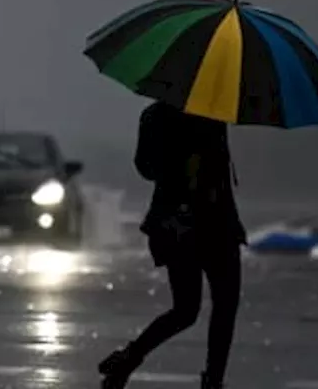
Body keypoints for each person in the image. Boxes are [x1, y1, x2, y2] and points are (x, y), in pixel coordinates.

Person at [98, 101, 247, 389]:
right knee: (203, 308)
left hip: (198, 224)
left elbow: (147, 168)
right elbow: (151, 167)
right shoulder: (198, 114)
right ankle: (207, 379)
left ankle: (135, 360)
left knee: (201, 308)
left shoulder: (171, 115)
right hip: (196, 225)